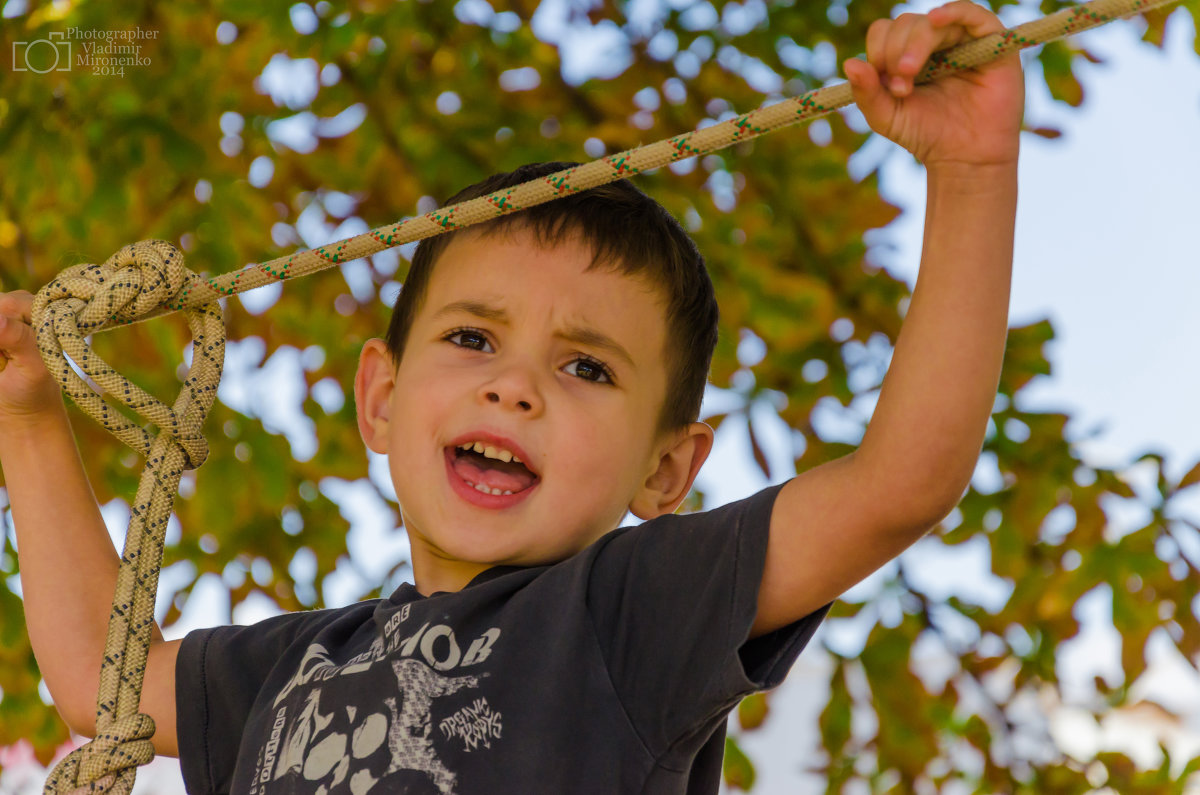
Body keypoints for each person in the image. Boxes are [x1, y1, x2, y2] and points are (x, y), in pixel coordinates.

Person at [0, 2, 1022, 792]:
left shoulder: (627, 616)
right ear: (381, 400)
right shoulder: (291, 668)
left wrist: (972, 174)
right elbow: (99, 675)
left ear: (666, 470)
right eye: (473, 337)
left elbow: (900, 483)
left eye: (587, 368)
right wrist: (29, 416)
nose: (515, 384)